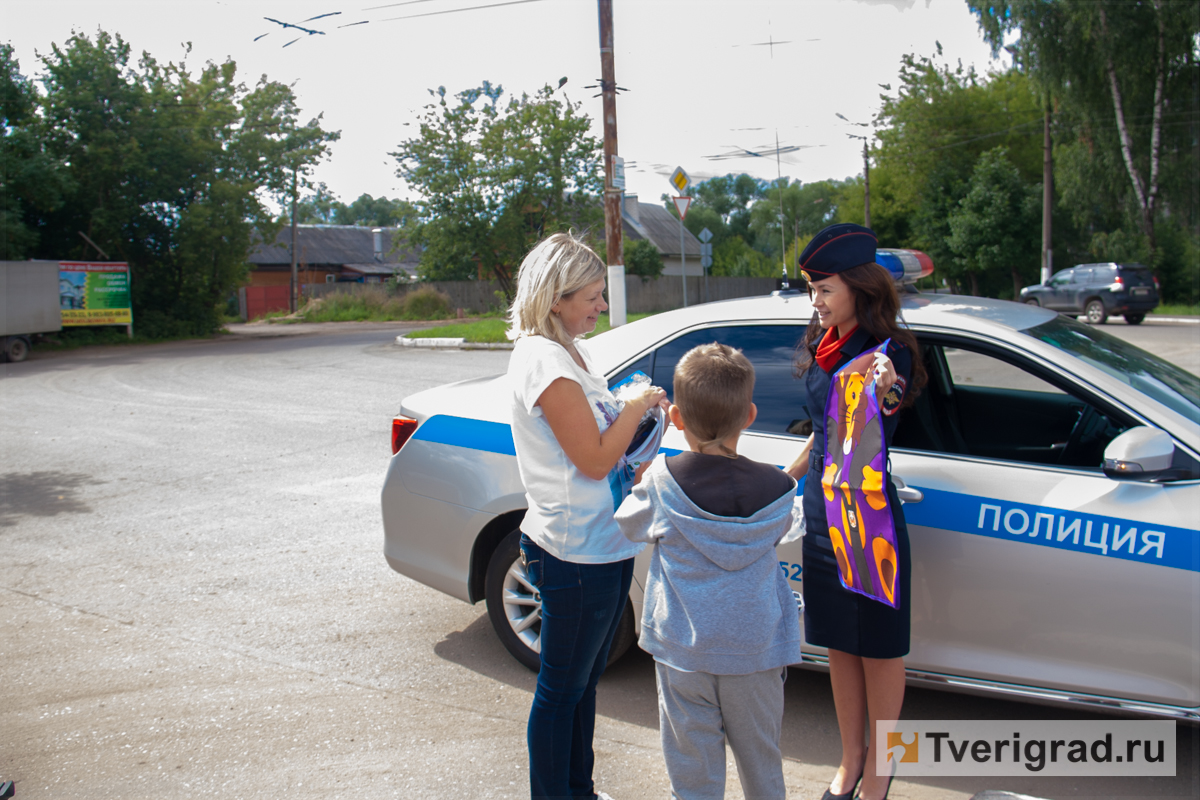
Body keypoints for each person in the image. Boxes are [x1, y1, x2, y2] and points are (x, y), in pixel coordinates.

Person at [506, 232, 667, 800]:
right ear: (556, 298)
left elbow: (605, 451)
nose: (601, 306)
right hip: (574, 552)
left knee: (582, 684)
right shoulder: (543, 360)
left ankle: (580, 788)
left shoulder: (572, 351)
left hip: (605, 542)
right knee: (561, 688)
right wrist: (634, 405)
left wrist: (638, 424)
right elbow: (595, 460)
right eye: (593, 297)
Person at [616, 343, 801, 800]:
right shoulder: (778, 490)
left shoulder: (662, 482)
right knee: (762, 763)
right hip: (756, 652)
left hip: (684, 653)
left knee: (693, 771)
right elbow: (789, 526)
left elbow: (628, 524)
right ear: (750, 414)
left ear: (676, 417)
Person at [783, 223, 926, 800]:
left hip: (870, 524)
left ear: (861, 289)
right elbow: (822, 435)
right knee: (840, 643)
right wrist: (784, 480)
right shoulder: (824, 346)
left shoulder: (887, 353)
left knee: (883, 650)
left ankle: (882, 777)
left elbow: (885, 408)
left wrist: (885, 389)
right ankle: (850, 762)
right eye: (811, 291)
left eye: (824, 291)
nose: (815, 304)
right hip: (823, 516)